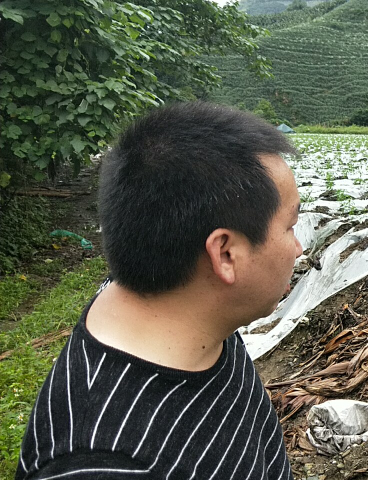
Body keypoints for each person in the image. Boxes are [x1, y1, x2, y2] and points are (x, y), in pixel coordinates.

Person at [16, 102, 302, 479]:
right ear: (226, 254)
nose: (299, 248)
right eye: (291, 226)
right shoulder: (103, 463)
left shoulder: (186, 314)